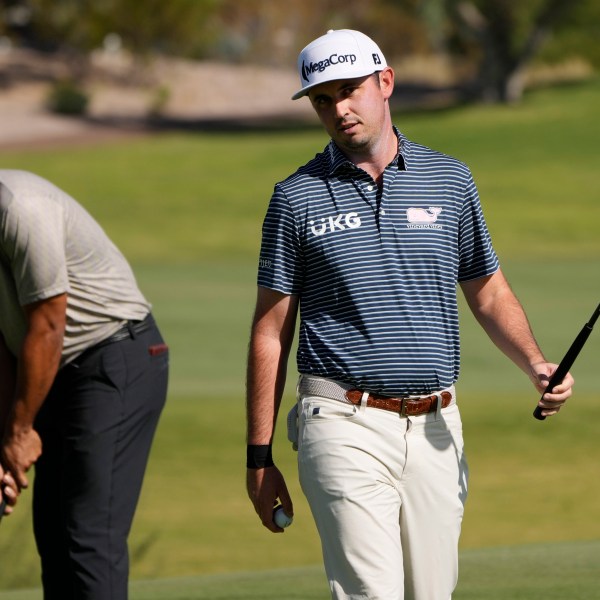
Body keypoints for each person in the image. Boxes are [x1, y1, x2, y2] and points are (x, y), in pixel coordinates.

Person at [245, 29, 574, 600]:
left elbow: (488, 291)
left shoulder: (449, 179)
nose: (339, 109)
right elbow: (271, 331)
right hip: (340, 419)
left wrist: (535, 363)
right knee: (373, 594)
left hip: (438, 425)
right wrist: (258, 455)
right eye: (323, 100)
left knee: (432, 594)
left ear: (386, 82)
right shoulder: (296, 197)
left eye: (350, 90)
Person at [0, 170, 169, 600]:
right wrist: (6, 439)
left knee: (87, 535)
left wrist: (19, 432)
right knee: (54, 535)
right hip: (49, 370)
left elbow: (48, 324)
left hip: (114, 359)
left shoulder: (22, 207)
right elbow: (4, 342)